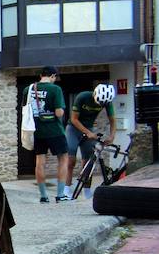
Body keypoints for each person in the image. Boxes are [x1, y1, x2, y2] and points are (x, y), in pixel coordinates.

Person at [62, 82, 117, 200]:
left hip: (89, 128)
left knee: (88, 161)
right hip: (73, 128)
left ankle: (86, 189)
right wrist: (88, 133)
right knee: (71, 160)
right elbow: (74, 119)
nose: (101, 105)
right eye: (99, 102)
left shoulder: (107, 102)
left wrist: (112, 136)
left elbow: (112, 120)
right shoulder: (83, 96)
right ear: (95, 94)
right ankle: (66, 189)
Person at [28, 66, 68, 203]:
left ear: (40, 75)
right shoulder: (55, 89)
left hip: (37, 130)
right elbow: (59, 113)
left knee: (40, 162)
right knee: (63, 160)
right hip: (54, 130)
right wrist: (61, 111)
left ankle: (43, 196)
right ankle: (60, 195)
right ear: (53, 76)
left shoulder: (29, 89)